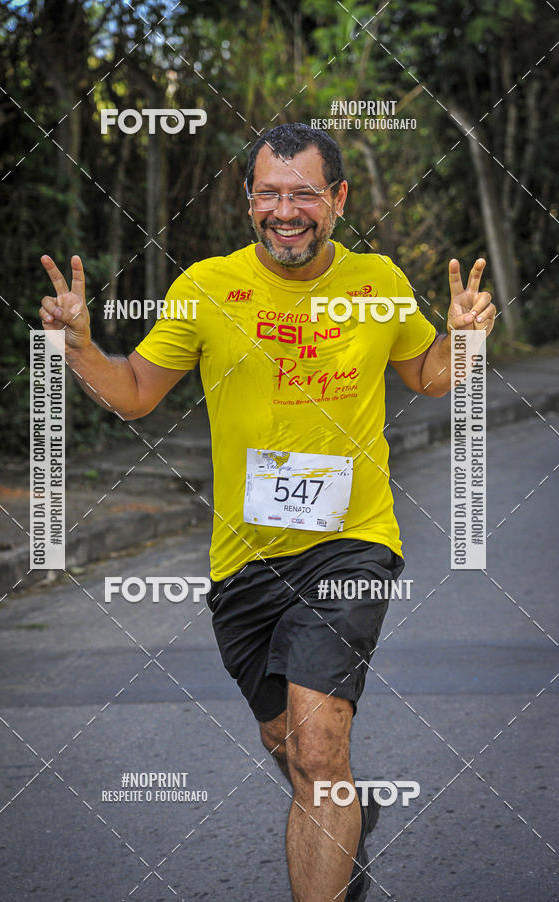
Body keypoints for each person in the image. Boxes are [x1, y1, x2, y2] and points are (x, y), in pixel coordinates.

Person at [39, 122, 495, 901]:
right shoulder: (207, 288)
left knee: (318, 751)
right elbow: (136, 395)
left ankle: (332, 801)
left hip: (351, 546)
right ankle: (348, 808)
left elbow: (426, 375)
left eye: (305, 194)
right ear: (250, 200)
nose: (287, 211)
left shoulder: (377, 281)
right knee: (286, 738)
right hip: (243, 561)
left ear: (338, 199)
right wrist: (78, 347)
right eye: (271, 194)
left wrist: (464, 342)